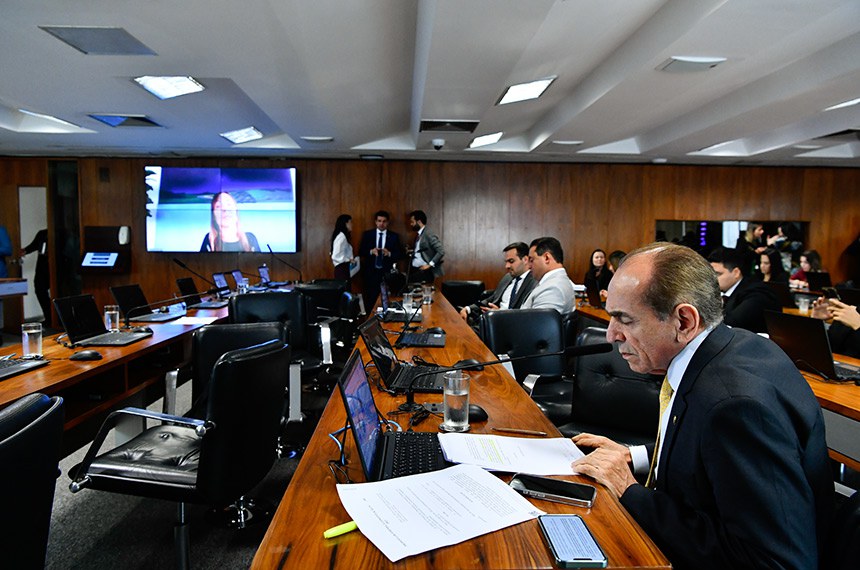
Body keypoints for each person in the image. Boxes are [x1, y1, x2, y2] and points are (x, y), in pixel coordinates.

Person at [571, 242, 833, 570]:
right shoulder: (731, 344)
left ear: (683, 321)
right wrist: (635, 456)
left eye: (624, 320)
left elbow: (773, 561)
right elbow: (707, 454)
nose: (611, 335)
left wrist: (629, 490)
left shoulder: (735, 407)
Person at [458, 242, 536, 325]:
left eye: (511, 261)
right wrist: (468, 309)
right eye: (506, 262)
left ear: (525, 260)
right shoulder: (508, 277)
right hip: (491, 320)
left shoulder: (534, 281)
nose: (507, 266)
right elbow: (492, 299)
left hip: (510, 325)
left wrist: (501, 313)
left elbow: (526, 313)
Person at [707, 247, 780, 333]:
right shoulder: (720, 291)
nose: (712, 279)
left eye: (718, 274)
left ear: (736, 272)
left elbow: (730, 323)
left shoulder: (757, 293)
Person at [358, 210, 403, 306]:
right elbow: (361, 251)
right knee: (371, 300)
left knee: (388, 300)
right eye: (379, 221)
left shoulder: (394, 236)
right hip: (371, 273)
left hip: (387, 274)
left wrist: (389, 253)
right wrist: (371, 251)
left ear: (388, 222)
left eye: (384, 221)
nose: (381, 224)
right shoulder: (368, 235)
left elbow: (400, 254)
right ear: (375, 222)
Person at [520, 237, 575, 313]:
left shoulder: (553, 289)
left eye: (531, 260)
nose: (529, 266)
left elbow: (538, 323)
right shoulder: (553, 282)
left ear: (546, 258)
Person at [19, 228, 51, 322]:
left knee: (60, 294)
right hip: (42, 268)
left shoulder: (62, 232)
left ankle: (57, 319)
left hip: (58, 268)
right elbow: (33, 245)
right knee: (40, 290)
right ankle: (50, 317)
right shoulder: (42, 233)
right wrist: (24, 251)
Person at [407, 210, 444, 284]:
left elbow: (441, 251)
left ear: (419, 222)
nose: (411, 224)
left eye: (412, 222)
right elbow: (423, 250)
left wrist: (429, 265)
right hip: (415, 271)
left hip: (424, 273)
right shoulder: (419, 234)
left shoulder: (428, 233)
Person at [330, 214, 356, 281]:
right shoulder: (341, 236)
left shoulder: (342, 236)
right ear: (346, 223)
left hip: (344, 269)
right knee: (344, 290)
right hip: (342, 269)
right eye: (351, 222)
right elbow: (335, 256)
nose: (352, 224)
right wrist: (348, 260)